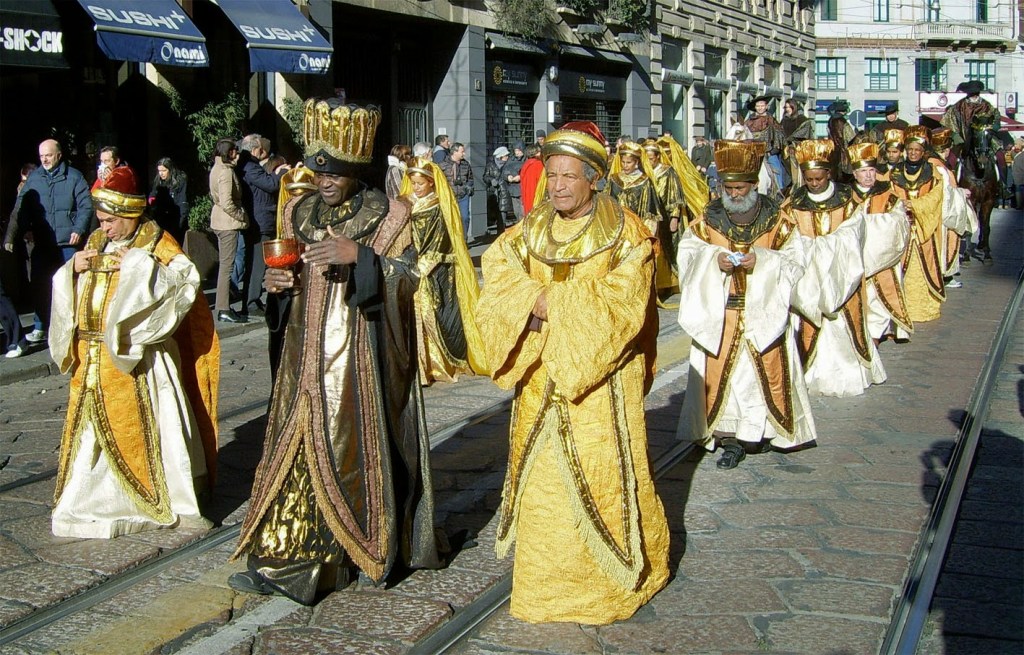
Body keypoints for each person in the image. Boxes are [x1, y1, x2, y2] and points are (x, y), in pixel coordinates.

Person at [229, 99, 440, 605]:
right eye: (318, 171)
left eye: (335, 173)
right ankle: (283, 552)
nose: (324, 182)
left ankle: (349, 553)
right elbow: (289, 280)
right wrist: (277, 285)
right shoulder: (298, 211)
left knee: (347, 448)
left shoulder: (392, 216)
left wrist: (363, 259)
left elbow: (415, 285)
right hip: (302, 357)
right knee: (294, 445)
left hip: (359, 362)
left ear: (355, 169)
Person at [474, 120, 669, 624]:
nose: (556, 185)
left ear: (594, 179)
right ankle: (545, 587)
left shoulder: (628, 233)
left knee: (602, 477)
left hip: (600, 382)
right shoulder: (530, 229)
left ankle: (609, 586)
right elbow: (497, 269)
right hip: (540, 376)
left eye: (568, 177)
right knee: (543, 481)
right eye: (552, 176)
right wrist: (529, 299)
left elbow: (624, 301)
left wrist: (552, 302)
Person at [48, 176, 219, 538]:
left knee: (154, 428)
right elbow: (73, 283)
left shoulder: (157, 242)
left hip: (141, 361)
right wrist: (71, 271)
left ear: (129, 214)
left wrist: (142, 266)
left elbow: (185, 285)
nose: (104, 227)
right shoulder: (96, 241)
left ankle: (158, 494)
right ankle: (87, 495)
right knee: (89, 434)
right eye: (100, 219)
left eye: (110, 220)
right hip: (91, 356)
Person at [675, 139, 817, 468]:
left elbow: (796, 262)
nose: (734, 194)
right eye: (728, 188)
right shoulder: (707, 219)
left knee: (759, 375)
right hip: (721, 314)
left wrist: (763, 262)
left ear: (754, 185)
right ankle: (727, 435)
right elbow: (688, 253)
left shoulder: (778, 221)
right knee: (726, 374)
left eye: (740, 188)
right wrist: (714, 261)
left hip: (764, 312)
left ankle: (761, 432)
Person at [781, 139, 908, 397]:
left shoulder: (847, 201)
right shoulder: (792, 201)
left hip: (842, 277)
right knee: (805, 326)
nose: (814, 184)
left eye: (818, 178)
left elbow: (854, 232)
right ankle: (806, 372)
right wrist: (802, 249)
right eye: (809, 179)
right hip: (807, 281)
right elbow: (784, 234)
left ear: (828, 173)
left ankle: (850, 371)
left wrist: (823, 248)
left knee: (842, 324)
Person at [399, 156, 486, 384]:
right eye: (413, 183)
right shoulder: (404, 202)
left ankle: (438, 363)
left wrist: (426, 262)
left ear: (431, 182)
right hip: (408, 265)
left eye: (420, 184)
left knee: (434, 312)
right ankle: (418, 365)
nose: (416, 188)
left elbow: (446, 238)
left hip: (435, 267)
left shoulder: (439, 205)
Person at [4, 139, 93, 343]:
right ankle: (40, 325)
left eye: (49, 155)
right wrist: (14, 234)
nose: (44, 159)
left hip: (67, 244)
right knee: (40, 285)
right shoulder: (34, 179)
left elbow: (86, 206)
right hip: (43, 244)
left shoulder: (74, 177)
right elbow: (21, 209)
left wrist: (79, 229)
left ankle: (74, 327)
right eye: (42, 155)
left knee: (71, 286)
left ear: (59, 155)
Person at [848, 141, 914, 342]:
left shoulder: (887, 195)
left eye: (871, 170)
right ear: (855, 173)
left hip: (881, 258)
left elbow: (899, 222)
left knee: (879, 295)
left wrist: (872, 226)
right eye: (863, 171)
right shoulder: (845, 195)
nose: (869, 175)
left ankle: (876, 334)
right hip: (854, 259)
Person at [607, 141, 677, 304]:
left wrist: (647, 236)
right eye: (623, 162)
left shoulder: (644, 182)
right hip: (617, 229)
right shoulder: (614, 179)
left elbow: (650, 212)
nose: (625, 166)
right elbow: (608, 204)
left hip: (636, 231)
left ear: (637, 162)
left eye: (629, 162)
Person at [236, 134, 286, 316]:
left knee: (257, 262)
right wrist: (280, 173)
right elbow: (271, 184)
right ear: (255, 149)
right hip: (259, 220)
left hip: (260, 218)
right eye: (260, 149)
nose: (263, 152)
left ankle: (253, 299)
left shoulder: (249, 166)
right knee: (256, 263)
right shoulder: (250, 167)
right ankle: (250, 302)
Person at [209, 138, 248, 323]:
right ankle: (223, 308)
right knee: (227, 267)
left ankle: (223, 307)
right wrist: (241, 215)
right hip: (227, 223)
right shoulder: (225, 172)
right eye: (234, 151)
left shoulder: (217, 168)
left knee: (225, 266)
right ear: (229, 152)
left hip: (220, 221)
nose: (237, 154)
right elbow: (227, 202)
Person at [941, 80, 999, 152]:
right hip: (963, 135)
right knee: (954, 156)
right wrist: (955, 135)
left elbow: (996, 116)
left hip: (985, 136)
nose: (975, 95)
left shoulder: (986, 105)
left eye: (976, 93)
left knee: (999, 153)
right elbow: (948, 119)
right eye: (972, 93)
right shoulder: (959, 105)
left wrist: (993, 129)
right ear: (968, 93)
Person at [744, 96, 786, 192]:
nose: (760, 108)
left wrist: (773, 150)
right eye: (758, 106)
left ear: (766, 106)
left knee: (776, 169)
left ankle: (779, 191)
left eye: (762, 105)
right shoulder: (748, 122)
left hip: (768, 153)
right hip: (751, 153)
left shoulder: (771, 120)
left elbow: (779, 136)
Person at [148, 157, 189, 245]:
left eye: (164, 170)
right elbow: (153, 194)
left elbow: (182, 201)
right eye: (159, 171)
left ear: (170, 170)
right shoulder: (158, 181)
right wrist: (151, 200)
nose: (161, 173)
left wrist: (181, 221)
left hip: (175, 217)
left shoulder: (180, 180)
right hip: (161, 217)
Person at [439, 142, 474, 241]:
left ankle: (464, 239)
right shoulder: (443, 165)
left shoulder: (465, 164)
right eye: (462, 152)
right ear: (455, 152)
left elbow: (470, 178)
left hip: (463, 196)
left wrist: (469, 186)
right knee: (449, 219)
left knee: (465, 218)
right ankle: (451, 241)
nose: (464, 154)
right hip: (450, 196)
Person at [781, 99, 814, 190]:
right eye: (786, 107)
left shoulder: (802, 120)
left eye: (789, 107)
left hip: (798, 149)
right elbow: (780, 133)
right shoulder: (784, 120)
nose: (787, 109)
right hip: (785, 149)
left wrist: (790, 140)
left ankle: (799, 185)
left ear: (794, 107)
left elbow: (803, 133)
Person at [483, 146, 512, 232]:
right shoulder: (490, 165)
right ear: (500, 156)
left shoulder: (509, 165)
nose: (507, 157)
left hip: (505, 193)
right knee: (494, 215)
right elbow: (485, 177)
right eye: (505, 155)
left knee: (502, 216)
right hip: (494, 194)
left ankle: (501, 234)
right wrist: (491, 180)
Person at [826, 100, 856, 181]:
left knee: (833, 176)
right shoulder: (842, 121)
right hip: (843, 153)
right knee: (845, 178)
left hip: (832, 151)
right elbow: (851, 137)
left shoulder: (830, 121)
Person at [519, 144, 544, 215]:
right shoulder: (538, 164)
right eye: (539, 152)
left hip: (527, 196)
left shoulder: (526, 164)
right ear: (535, 153)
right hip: (537, 197)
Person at [504, 141, 526, 221]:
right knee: (516, 212)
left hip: (523, 189)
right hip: (513, 189)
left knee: (523, 212)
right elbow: (505, 171)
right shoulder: (511, 160)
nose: (517, 152)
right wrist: (508, 177)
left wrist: (521, 177)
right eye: (516, 151)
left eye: (519, 150)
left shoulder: (526, 160)